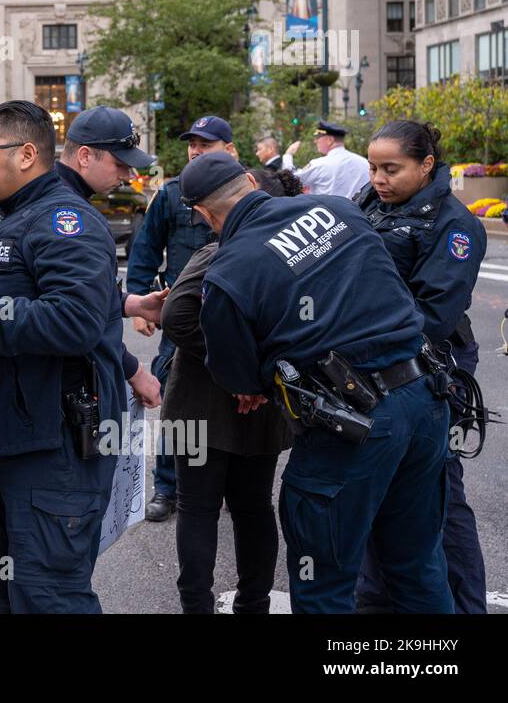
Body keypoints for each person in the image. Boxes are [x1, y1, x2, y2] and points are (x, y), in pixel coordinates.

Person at [189, 151, 453, 614]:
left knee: (323, 583)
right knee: (417, 565)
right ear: (250, 181)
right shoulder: (340, 209)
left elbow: (237, 375)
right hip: (425, 398)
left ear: (202, 213)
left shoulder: (228, 273)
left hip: (353, 428)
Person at [0, 101, 128, 613]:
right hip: (22, 442)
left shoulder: (64, 221)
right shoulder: (21, 218)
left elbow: (76, 321)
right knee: (16, 590)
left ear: (26, 155)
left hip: (57, 448)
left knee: (49, 595)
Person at [354, 120, 487, 614]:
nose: (379, 178)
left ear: (426, 164)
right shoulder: (370, 202)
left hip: (430, 366)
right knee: (375, 486)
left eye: (392, 168)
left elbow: (433, 315)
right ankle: (377, 600)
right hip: (369, 366)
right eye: (372, 167)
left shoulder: (457, 225)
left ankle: (465, 606)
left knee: (440, 493)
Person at [159, 165, 297, 614]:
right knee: (254, 507)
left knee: (199, 507)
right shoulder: (291, 252)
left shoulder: (218, 252)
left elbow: (177, 316)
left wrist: (234, 365)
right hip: (255, 403)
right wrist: (251, 371)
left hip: (201, 402)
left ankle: (198, 607)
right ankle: (252, 605)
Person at [125, 115, 230, 521]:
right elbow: (146, 248)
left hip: (231, 321)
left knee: (235, 400)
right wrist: (136, 305)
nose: (196, 150)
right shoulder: (171, 196)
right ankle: (168, 487)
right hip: (182, 322)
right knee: (176, 401)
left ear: (229, 150)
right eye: (192, 143)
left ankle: (225, 485)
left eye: (207, 143)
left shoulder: (243, 196)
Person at [56, 106, 167, 409]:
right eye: (120, 164)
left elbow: (81, 293)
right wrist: (133, 369)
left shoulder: (67, 200)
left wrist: (134, 304)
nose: (128, 175)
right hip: (65, 392)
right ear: (85, 156)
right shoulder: (69, 216)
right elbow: (77, 317)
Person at [282, 121, 370, 198]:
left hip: (329, 214)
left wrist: (288, 155)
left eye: (318, 137)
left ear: (330, 140)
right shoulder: (363, 162)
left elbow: (291, 179)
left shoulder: (320, 164)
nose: (315, 141)